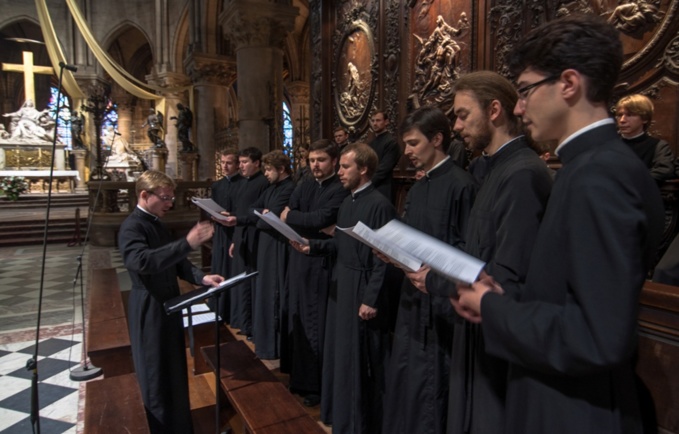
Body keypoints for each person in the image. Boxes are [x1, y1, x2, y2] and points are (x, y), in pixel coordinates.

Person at [457, 14, 664, 433]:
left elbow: (597, 335)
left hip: (575, 410)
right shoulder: (587, 166)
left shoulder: (599, 175)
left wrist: (493, 309)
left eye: (526, 90)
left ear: (569, 84)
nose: (519, 106)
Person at [413, 71, 552, 434]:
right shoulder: (488, 169)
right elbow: (476, 249)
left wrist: (436, 280)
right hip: (476, 327)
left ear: (494, 110)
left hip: (498, 337)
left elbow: (506, 277)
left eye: (462, 114)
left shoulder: (522, 172)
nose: (456, 126)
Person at [381, 105, 478, 434]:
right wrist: (391, 252)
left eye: (412, 143)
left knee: (435, 389)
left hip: (442, 305)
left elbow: (469, 251)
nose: (406, 152)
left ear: (437, 139)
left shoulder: (462, 184)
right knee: (408, 382)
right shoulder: (418, 187)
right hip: (412, 301)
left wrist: (435, 279)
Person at [291, 143, 396, 433]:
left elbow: (384, 259)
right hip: (342, 284)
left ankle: (359, 423)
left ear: (363, 169)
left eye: (344, 167)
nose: (339, 172)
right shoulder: (349, 202)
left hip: (361, 288)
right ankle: (341, 416)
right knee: (340, 356)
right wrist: (313, 247)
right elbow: (342, 244)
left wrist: (371, 299)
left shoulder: (379, 204)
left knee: (359, 361)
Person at [118, 170, 224, 434]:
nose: (170, 203)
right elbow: (143, 262)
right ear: (144, 195)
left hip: (168, 304)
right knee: (156, 374)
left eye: (171, 197)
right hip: (149, 306)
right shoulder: (132, 226)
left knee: (173, 370)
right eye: (165, 198)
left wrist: (202, 277)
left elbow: (176, 263)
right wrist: (187, 243)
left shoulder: (155, 222)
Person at [281, 139, 349, 414]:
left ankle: (316, 386)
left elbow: (322, 217)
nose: (315, 165)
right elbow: (288, 211)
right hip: (299, 258)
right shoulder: (305, 183)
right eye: (311, 161)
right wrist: (299, 217)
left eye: (320, 160)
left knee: (315, 324)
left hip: (321, 262)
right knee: (299, 316)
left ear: (333, 161)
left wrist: (295, 217)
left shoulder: (339, 188)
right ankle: (300, 379)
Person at [218, 147, 269, 336]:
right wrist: (235, 239)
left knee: (250, 283)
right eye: (239, 162)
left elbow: (257, 213)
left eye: (245, 162)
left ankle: (251, 326)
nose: (241, 166)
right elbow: (241, 210)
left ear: (257, 163)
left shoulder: (262, 182)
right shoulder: (244, 182)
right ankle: (243, 321)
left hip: (254, 237)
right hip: (242, 235)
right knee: (241, 282)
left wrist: (236, 220)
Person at [251, 150, 296, 359]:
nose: (266, 174)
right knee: (264, 292)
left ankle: (273, 347)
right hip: (266, 245)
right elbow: (256, 210)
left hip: (278, 246)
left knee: (274, 293)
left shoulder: (289, 188)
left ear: (281, 169)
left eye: (269, 170)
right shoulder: (271, 188)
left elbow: (268, 219)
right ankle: (264, 344)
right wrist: (264, 216)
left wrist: (264, 217)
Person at [210, 148, 244, 322]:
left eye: (229, 163)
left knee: (232, 269)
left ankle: (232, 310)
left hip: (234, 231)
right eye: (222, 162)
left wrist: (231, 215)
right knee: (219, 265)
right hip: (221, 232)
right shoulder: (217, 185)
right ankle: (219, 307)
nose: (225, 166)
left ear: (238, 164)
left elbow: (243, 209)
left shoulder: (243, 184)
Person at [615, 93, 676, 183]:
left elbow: (664, 170)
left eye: (630, 115)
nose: (622, 120)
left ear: (645, 119)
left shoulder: (658, 146)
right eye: (620, 115)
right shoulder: (608, 144)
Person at [369, 111, 402, 202]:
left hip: (384, 188)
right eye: (373, 121)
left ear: (386, 122)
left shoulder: (391, 143)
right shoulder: (371, 143)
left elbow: (383, 169)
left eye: (378, 120)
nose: (375, 123)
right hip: (371, 187)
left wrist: (367, 184)